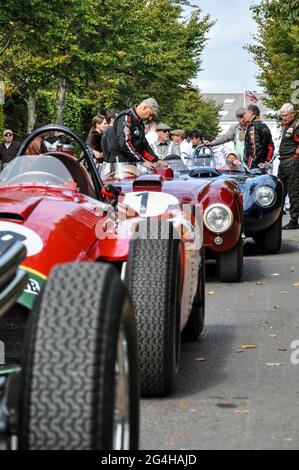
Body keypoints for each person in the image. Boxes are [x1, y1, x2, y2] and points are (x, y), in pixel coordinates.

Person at [105, 98, 160, 165]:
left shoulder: (139, 123)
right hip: (120, 164)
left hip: (131, 163)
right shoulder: (126, 117)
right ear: (144, 107)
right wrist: (141, 161)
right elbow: (125, 143)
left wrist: (156, 160)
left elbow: (143, 146)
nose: (150, 118)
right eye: (150, 114)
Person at [277, 103, 299, 230]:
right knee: (280, 189)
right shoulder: (286, 127)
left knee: (293, 190)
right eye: (282, 115)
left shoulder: (296, 125)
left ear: (292, 114)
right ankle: (277, 215)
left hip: (292, 161)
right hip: (283, 160)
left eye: (285, 115)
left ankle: (294, 219)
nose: (283, 118)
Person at [243, 104, 274, 169]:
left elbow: (254, 146)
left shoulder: (252, 126)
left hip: (253, 164)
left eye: (246, 113)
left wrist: (257, 161)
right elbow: (271, 146)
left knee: (252, 179)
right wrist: (266, 161)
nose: (244, 116)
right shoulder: (265, 126)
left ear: (251, 113)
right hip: (263, 164)